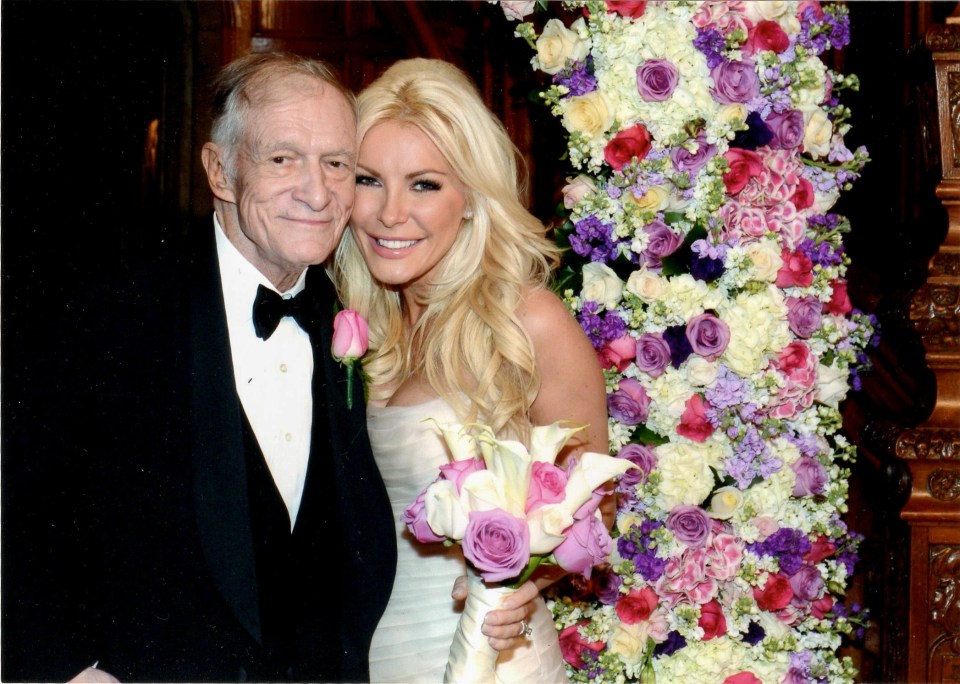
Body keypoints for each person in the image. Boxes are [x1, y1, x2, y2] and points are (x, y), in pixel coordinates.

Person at [2, 52, 396, 683]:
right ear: (220, 170)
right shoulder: (111, 308)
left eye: (337, 164)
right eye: (282, 158)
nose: (317, 191)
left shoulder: (352, 317)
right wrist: (64, 668)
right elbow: (19, 506)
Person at [332, 58, 610, 683]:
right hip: (372, 656)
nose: (390, 213)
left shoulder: (527, 323)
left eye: (425, 184)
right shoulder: (358, 329)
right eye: (370, 181)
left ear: (470, 200)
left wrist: (525, 585)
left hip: (488, 654)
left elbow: (594, 507)